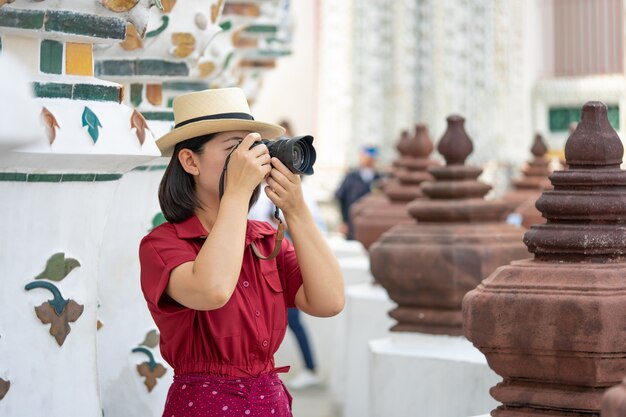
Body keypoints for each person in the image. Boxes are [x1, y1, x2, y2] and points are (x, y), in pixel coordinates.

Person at [138, 88, 344, 417]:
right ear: (190, 160)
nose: (250, 160)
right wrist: (236, 193)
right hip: (203, 407)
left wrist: (297, 210)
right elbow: (212, 289)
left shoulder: (266, 241)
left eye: (255, 148)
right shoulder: (163, 245)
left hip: (270, 404)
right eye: (235, 149)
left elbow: (329, 301)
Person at [249, 120, 324, 389]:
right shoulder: (251, 190)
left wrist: (292, 209)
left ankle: (312, 368)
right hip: (255, 261)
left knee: (292, 319)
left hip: (280, 260)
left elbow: (315, 228)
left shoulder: (302, 196)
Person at [334, 145, 382, 239]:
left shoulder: (379, 179)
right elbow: (341, 197)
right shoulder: (351, 177)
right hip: (352, 223)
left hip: (371, 224)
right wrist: (344, 221)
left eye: (372, 157)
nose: (369, 159)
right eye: (366, 156)